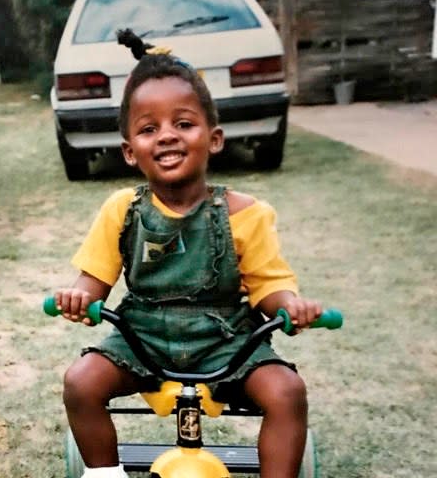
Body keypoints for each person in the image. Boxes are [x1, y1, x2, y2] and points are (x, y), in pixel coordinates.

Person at [53, 51, 322, 478]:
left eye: (183, 123)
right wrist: (77, 298)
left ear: (213, 138)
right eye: (148, 128)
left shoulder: (244, 213)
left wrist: (291, 304)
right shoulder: (122, 210)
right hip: (142, 337)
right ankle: (104, 474)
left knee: (287, 391)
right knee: (81, 382)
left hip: (226, 339)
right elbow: (93, 283)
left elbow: (271, 288)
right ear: (129, 150)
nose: (166, 136)